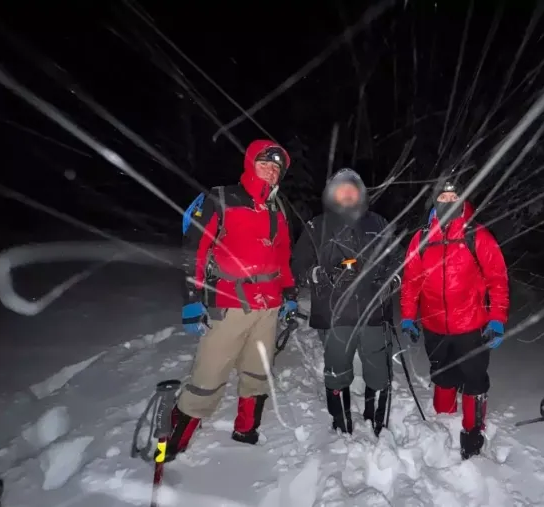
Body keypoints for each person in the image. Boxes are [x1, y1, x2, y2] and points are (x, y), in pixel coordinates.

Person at [167, 139, 299, 459]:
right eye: (264, 164)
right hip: (229, 303)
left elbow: (282, 257)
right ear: (251, 163)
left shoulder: (277, 209)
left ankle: (246, 427)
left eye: (276, 168)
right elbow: (194, 251)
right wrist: (191, 298)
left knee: (257, 370)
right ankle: (180, 433)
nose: (270, 172)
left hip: (268, 306)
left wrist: (290, 293)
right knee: (209, 372)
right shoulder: (221, 199)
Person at [399, 179, 509, 459]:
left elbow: (498, 280)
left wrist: (496, 319)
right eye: (443, 196)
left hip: (471, 325)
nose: (448, 201)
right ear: (435, 201)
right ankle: (442, 421)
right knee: (442, 373)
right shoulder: (421, 238)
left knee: (474, 378)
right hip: (434, 326)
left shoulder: (477, 236)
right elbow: (411, 282)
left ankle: (473, 429)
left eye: (453, 196)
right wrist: (408, 318)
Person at [291, 168, 401, 436]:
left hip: (374, 313)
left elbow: (398, 261)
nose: (347, 192)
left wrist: (390, 283)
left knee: (378, 370)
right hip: (333, 315)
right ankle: (341, 422)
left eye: (352, 188)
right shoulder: (317, 226)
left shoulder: (379, 224)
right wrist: (320, 275)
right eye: (341, 188)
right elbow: (298, 266)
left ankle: (376, 420)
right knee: (337, 369)